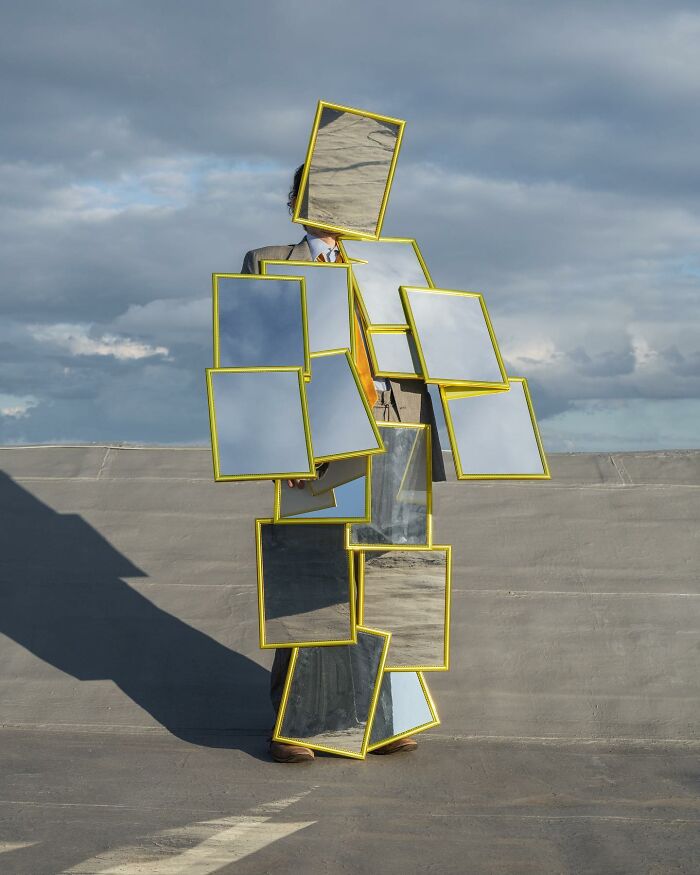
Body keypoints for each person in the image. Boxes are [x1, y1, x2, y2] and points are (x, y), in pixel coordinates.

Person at [241, 165, 446, 763]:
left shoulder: (390, 263)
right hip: (319, 442)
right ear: (298, 203)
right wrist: (284, 447)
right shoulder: (268, 259)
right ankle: (294, 723)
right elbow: (260, 358)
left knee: (384, 581)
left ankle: (377, 720)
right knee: (310, 580)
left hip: (394, 430)